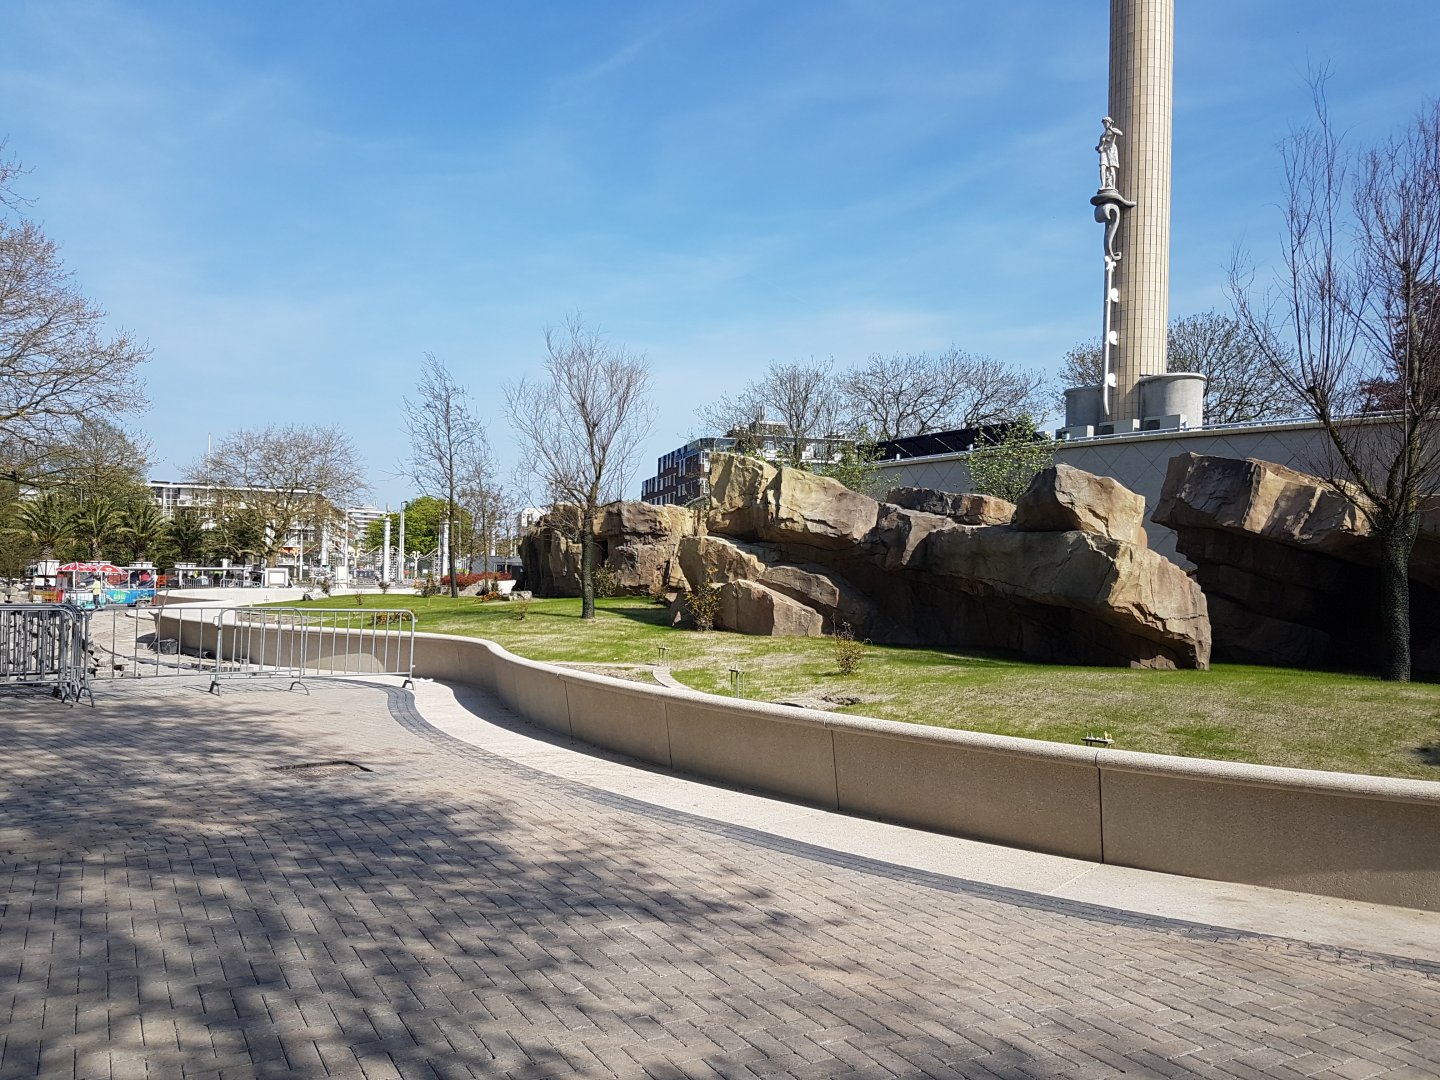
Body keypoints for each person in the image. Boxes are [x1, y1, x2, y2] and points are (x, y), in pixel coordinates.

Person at [1096, 116, 1123, 190]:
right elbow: (1099, 146)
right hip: (1104, 151)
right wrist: (1098, 147)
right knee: (1102, 167)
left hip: (1111, 150)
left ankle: (1113, 186)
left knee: (1111, 168)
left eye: (1106, 123)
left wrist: (1110, 128)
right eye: (1104, 123)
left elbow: (1120, 133)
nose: (1105, 125)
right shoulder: (1102, 135)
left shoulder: (1113, 130)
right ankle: (1103, 185)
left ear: (1110, 123)